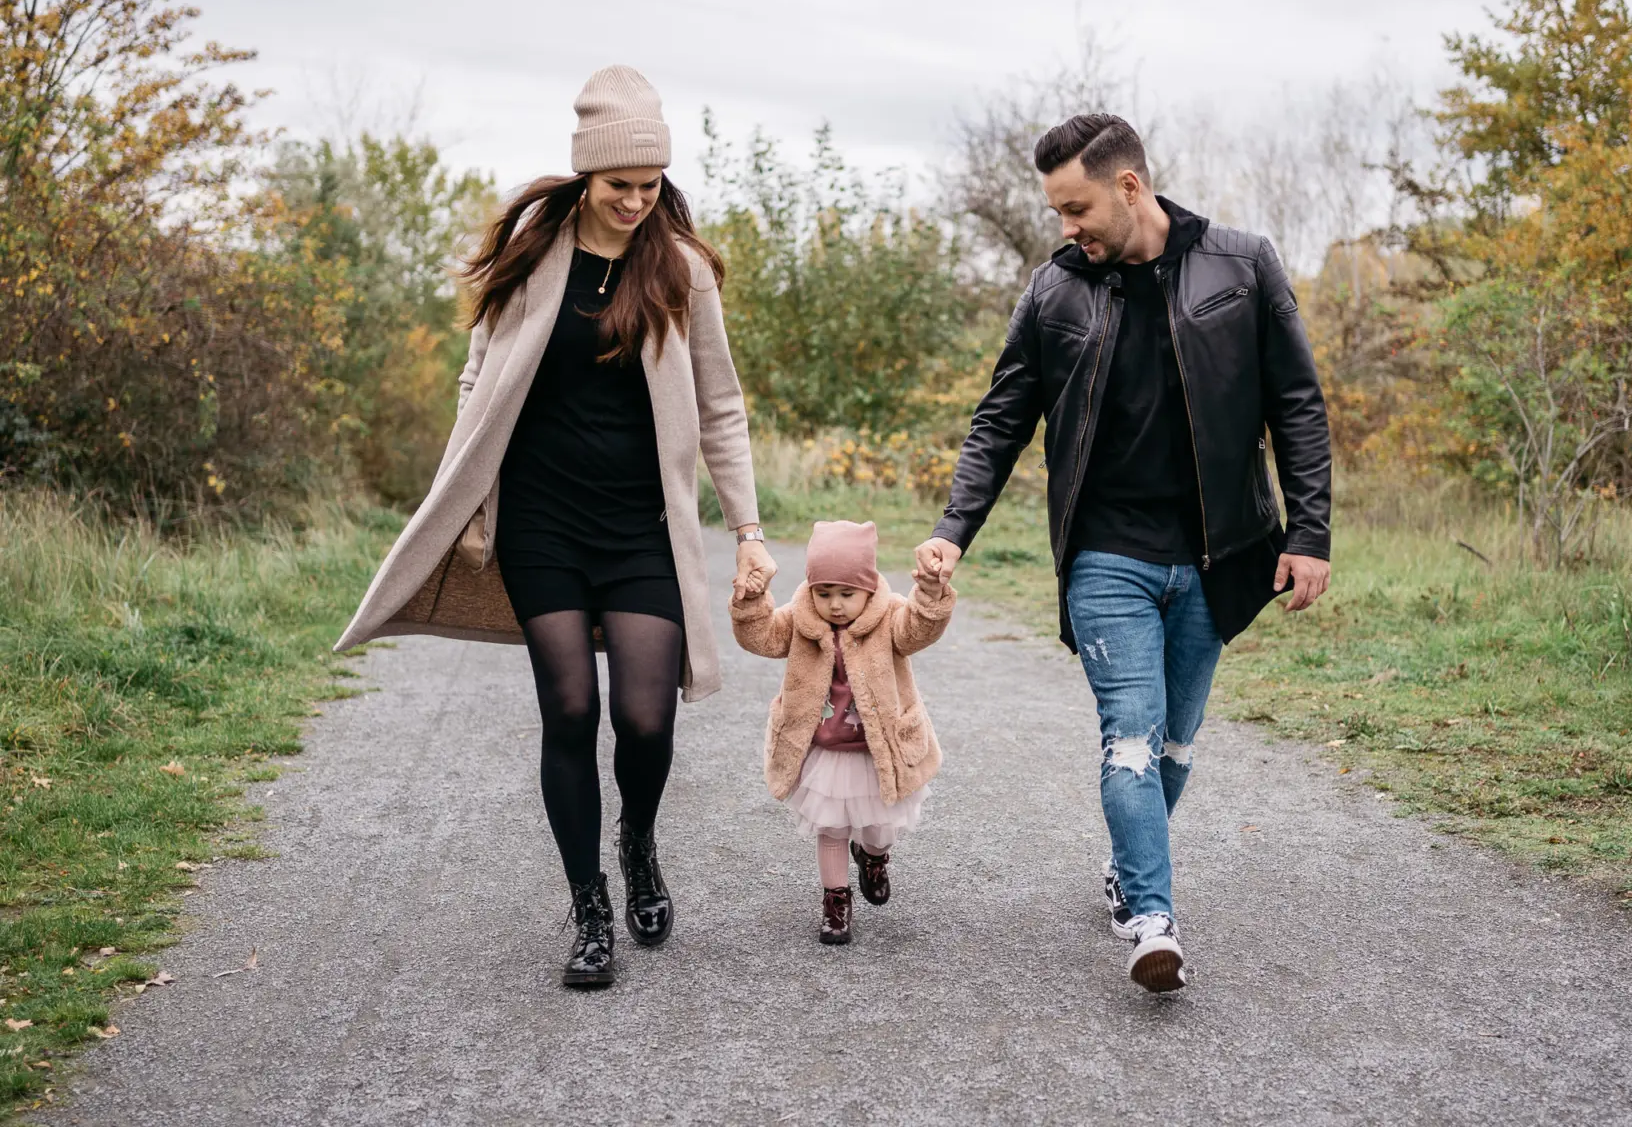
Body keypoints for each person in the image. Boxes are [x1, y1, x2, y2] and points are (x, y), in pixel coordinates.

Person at [335, 66, 779, 988]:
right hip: (541, 524)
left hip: (641, 529)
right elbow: (478, 375)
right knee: (571, 710)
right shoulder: (535, 258)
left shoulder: (681, 271)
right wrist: (463, 489)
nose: (635, 202)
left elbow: (721, 405)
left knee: (647, 720)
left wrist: (747, 529)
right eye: (619, 187)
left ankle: (640, 842)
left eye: (649, 187)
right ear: (586, 176)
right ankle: (588, 908)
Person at [912, 114, 1333, 993]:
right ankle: (1150, 920)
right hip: (1108, 556)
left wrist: (1310, 534)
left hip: (1222, 555)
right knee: (1131, 739)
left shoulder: (1243, 265)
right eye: (1059, 212)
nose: (1067, 227)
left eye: (1076, 208)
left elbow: (1297, 404)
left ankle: (1127, 866)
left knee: (1176, 745)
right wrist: (954, 531)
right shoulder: (1054, 291)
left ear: (1129, 186)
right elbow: (1001, 421)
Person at [729, 520, 955, 944]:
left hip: (878, 749)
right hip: (826, 749)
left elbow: (919, 630)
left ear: (869, 589)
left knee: (879, 826)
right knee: (830, 827)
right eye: (824, 593)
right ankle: (836, 900)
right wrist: (752, 602)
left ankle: (873, 856)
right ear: (811, 589)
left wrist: (930, 593)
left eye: (847, 594)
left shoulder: (889, 617)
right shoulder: (800, 619)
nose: (835, 606)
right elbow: (761, 637)